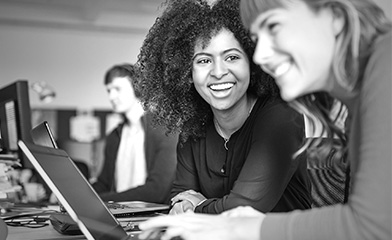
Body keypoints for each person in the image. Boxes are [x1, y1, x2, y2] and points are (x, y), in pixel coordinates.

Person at [137, 0, 392, 239]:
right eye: (257, 39)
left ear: (335, 17)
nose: (260, 56)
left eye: (274, 26)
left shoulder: (385, 65)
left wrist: (242, 225)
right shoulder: (360, 98)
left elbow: (371, 225)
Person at [134, 0, 312, 215]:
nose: (218, 72)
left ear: (252, 64)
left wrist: (198, 206)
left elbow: (245, 208)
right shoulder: (193, 128)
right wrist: (186, 206)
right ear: (186, 73)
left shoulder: (281, 116)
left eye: (232, 57)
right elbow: (180, 197)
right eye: (203, 61)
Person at [91, 63, 178, 204]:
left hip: (152, 217)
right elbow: (104, 184)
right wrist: (75, 197)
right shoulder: (114, 136)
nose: (112, 97)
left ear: (137, 88)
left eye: (117, 89)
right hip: (117, 215)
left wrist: (100, 201)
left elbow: (157, 191)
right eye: (109, 91)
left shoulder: (164, 130)